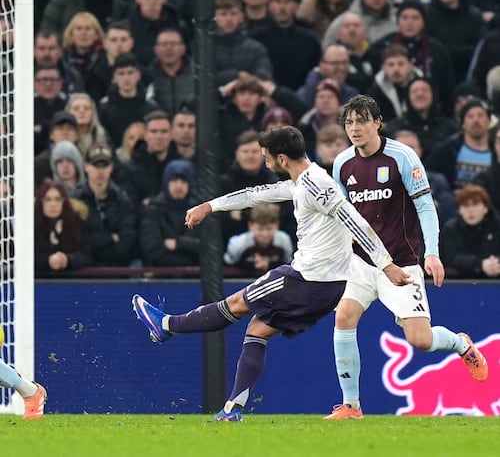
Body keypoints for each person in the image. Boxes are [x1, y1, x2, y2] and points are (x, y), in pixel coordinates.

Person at [132, 125, 410, 422]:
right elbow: (256, 195)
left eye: (267, 157)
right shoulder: (303, 181)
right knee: (258, 329)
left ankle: (167, 325)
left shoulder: (317, 186)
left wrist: (386, 264)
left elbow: (354, 220)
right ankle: (232, 410)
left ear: (282, 158)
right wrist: (210, 206)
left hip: (304, 280)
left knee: (236, 305)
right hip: (328, 287)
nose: (265, 163)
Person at [326, 95, 488, 420]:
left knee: (420, 340)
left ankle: (459, 344)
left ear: (377, 122)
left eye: (361, 121)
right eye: (349, 122)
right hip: (361, 260)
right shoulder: (342, 163)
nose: (355, 128)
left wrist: (432, 253)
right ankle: (351, 406)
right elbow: (342, 216)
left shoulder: (402, 156)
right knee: (343, 317)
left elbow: (426, 206)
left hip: (401, 261)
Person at [440, 183, 500, 278]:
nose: (470, 210)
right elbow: (449, 257)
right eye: (465, 205)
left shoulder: (497, 226)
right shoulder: (450, 229)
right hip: (459, 283)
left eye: (475, 205)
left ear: (485, 208)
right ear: (459, 210)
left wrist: (496, 263)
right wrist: (480, 265)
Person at [224, 203, 294, 276]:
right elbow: (228, 268)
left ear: (277, 225)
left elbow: (288, 265)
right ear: (250, 226)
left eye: (269, 229)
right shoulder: (238, 244)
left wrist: (270, 265)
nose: (265, 234)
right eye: (260, 229)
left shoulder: (284, 240)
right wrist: (252, 266)